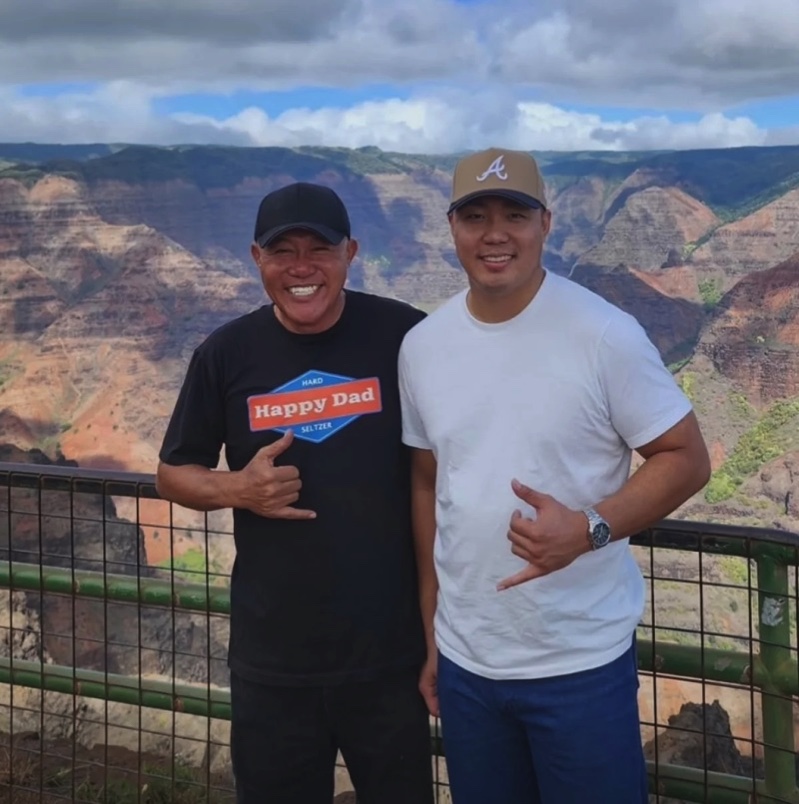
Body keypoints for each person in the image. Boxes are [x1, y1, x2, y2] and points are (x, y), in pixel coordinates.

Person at [398, 148, 711, 804]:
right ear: (450, 227)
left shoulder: (603, 335)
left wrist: (590, 528)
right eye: (475, 216)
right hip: (466, 664)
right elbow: (428, 481)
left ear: (545, 221)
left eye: (514, 214)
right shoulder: (423, 346)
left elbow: (685, 457)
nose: (494, 234)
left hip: (578, 665)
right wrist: (431, 629)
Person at [156, 181, 434, 804]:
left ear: (351, 253)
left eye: (320, 249)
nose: (301, 268)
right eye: (283, 251)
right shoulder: (225, 353)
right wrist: (239, 488)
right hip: (273, 661)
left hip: (389, 657)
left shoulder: (404, 335)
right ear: (257, 258)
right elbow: (173, 473)